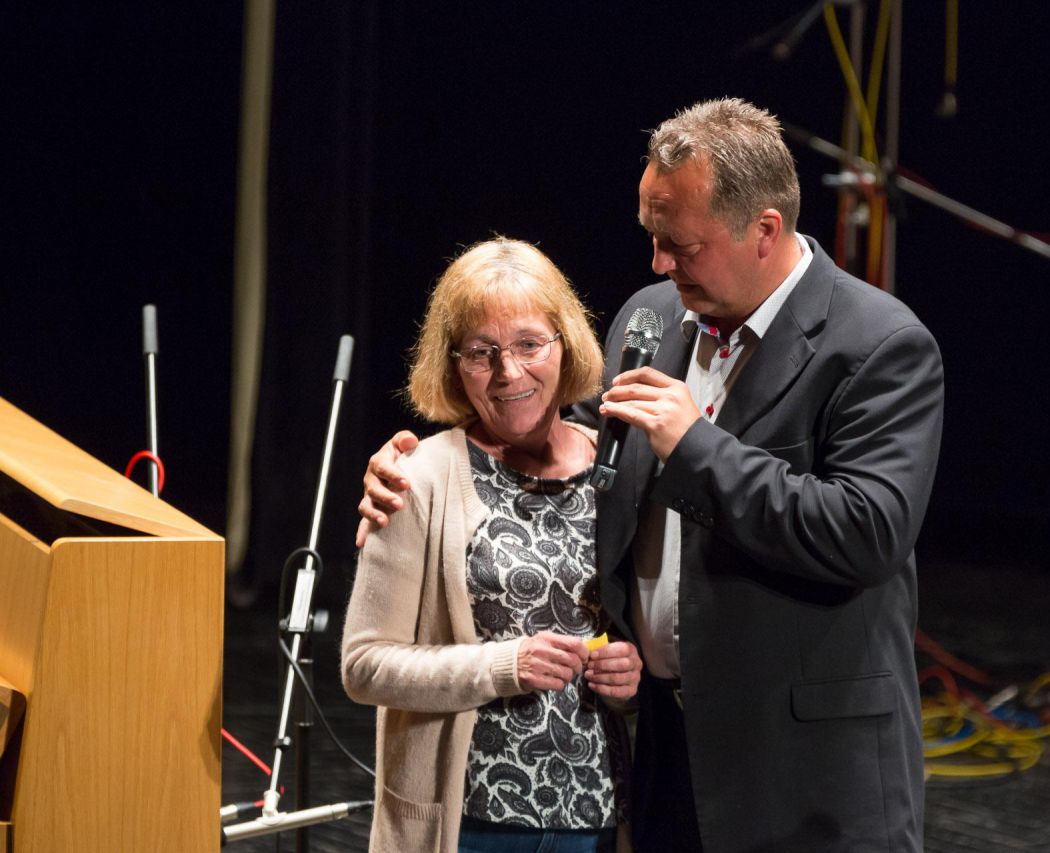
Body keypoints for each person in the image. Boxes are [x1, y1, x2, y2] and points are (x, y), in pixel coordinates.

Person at [359, 98, 944, 852]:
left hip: (806, 772)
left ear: (765, 231)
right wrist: (422, 467)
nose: (659, 263)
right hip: (670, 752)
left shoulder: (878, 344)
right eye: (652, 236)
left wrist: (695, 445)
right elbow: (568, 443)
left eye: (680, 244)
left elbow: (867, 532)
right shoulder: (654, 317)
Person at [341, 237, 643, 853]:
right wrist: (503, 666)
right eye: (482, 353)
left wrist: (633, 677)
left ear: (566, 344)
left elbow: (650, 622)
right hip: (470, 825)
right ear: (453, 366)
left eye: (530, 344)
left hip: (598, 818)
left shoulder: (619, 468)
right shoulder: (418, 478)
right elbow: (364, 666)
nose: (509, 372)